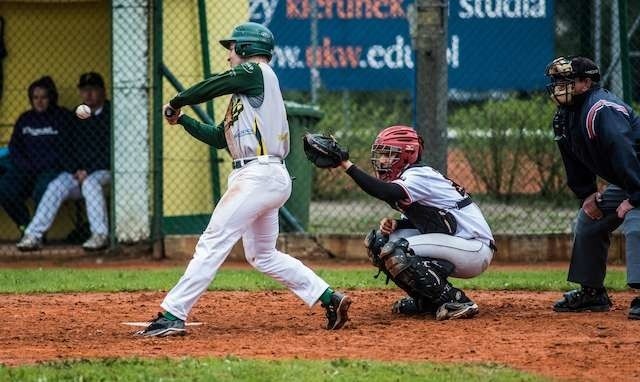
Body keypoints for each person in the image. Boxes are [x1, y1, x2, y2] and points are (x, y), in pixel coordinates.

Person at [138, 22, 351, 337]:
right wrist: (182, 120)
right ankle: (328, 297)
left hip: (258, 175)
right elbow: (219, 138)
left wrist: (177, 100)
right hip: (263, 176)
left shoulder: (256, 71)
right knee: (262, 255)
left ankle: (173, 314)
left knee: (213, 240)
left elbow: (211, 86)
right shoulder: (247, 93)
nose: (229, 56)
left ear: (248, 49)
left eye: (233, 49)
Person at [335, 125, 495, 320]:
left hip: (474, 248)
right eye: (381, 154)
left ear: (407, 154)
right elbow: (429, 222)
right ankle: (426, 301)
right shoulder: (409, 177)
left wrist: (347, 165)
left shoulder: (420, 175)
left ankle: (456, 300)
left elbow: (385, 191)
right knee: (379, 242)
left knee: (397, 250)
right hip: (455, 242)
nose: (383, 160)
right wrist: (397, 224)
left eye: (389, 154)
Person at [545, 56, 640, 319]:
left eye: (566, 81)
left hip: (637, 178)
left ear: (586, 82)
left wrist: (635, 198)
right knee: (589, 218)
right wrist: (586, 194)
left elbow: (624, 151)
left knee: (635, 221)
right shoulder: (566, 116)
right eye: (555, 82)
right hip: (632, 179)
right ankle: (592, 293)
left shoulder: (600, 109)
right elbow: (573, 160)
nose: (558, 87)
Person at [17, 72, 111, 251]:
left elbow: (112, 151)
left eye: (93, 90)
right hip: (78, 173)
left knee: (91, 183)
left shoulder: (111, 113)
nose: (88, 94)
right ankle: (33, 235)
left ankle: (100, 235)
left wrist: (88, 170)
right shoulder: (77, 115)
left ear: (103, 91)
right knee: (56, 186)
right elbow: (65, 148)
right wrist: (75, 169)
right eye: (84, 90)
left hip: (105, 172)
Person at [0, 76, 71, 236]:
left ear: (51, 97)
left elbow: (68, 147)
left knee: (43, 189)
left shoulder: (63, 117)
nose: (39, 102)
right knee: (4, 188)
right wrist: (24, 165)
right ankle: (26, 227)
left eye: (44, 97)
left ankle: (38, 234)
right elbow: (15, 147)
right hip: (26, 169)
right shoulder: (25, 119)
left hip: (51, 170)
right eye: (35, 98)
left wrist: (50, 165)